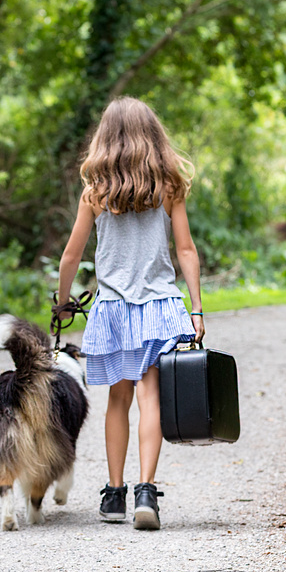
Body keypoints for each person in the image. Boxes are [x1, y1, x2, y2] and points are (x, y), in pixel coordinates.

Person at [56, 96, 205, 531]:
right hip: (160, 306)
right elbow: (186, 250)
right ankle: (147, 492)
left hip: (114, 309)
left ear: (105, 139)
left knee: (117, 401)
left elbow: (71, 255)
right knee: (150, 397)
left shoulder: (95, 192)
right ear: (154, 136)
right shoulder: (170, 185)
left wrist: (64, 302)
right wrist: (196, 308)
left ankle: (115, 494)